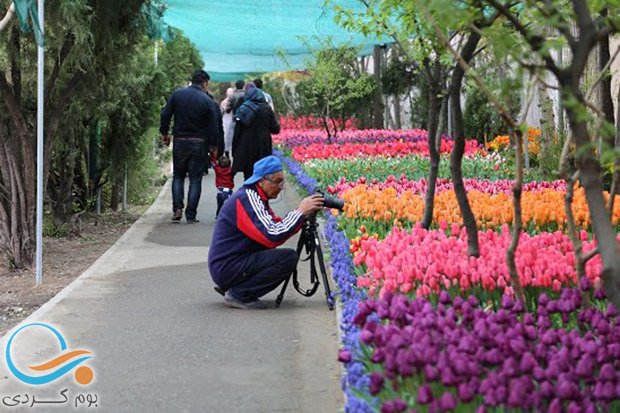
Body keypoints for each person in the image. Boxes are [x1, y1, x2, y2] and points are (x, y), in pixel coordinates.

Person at [208, 156, 324, 309]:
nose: (281, 187)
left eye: (282, 182)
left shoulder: (254, 196)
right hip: (228, 266)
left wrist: (301, 216)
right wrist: (300, 212)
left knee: (280, 254)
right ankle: (239, 294)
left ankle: (237, 288)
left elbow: (274, 224)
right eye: (277, 181)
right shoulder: (247, 199)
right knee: (287, 258)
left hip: (231, 263)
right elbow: (271, 234)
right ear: (262, 181)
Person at [160, 69, 218, 223]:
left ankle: (177, 209)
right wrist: (213, 145)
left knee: (178, 176)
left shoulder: (178, 94)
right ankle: (191, 215)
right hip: (199, 143)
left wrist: (164, 133)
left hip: (180, 141)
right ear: (205, 83)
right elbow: (213, 125)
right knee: (195, 179)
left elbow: (165, 114)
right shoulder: (207, 100)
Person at [232, 87, 280, 180]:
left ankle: (250, 193)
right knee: (262, 174)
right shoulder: (266, 108)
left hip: (246, 147)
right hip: (263, 146)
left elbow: (237, 132)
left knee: (249, 175)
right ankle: (260, 193)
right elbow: (275, 129)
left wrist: (235, 150)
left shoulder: (243, 109)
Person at [212, 153, 234, 218]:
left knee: (219, 204)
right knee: (228, 204)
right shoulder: (231, 170)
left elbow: (213, 163)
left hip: (220, 189)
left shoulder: (217, 169)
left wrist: (212, 156)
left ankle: (218, 215)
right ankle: (227, 215)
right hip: (228, 189)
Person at [220, 87, 235, 156]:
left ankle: (226, 151)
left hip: (225, 120)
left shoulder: (224, 102)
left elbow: (221, 112)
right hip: (231, 120)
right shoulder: (236, 101)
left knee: (226, 136)